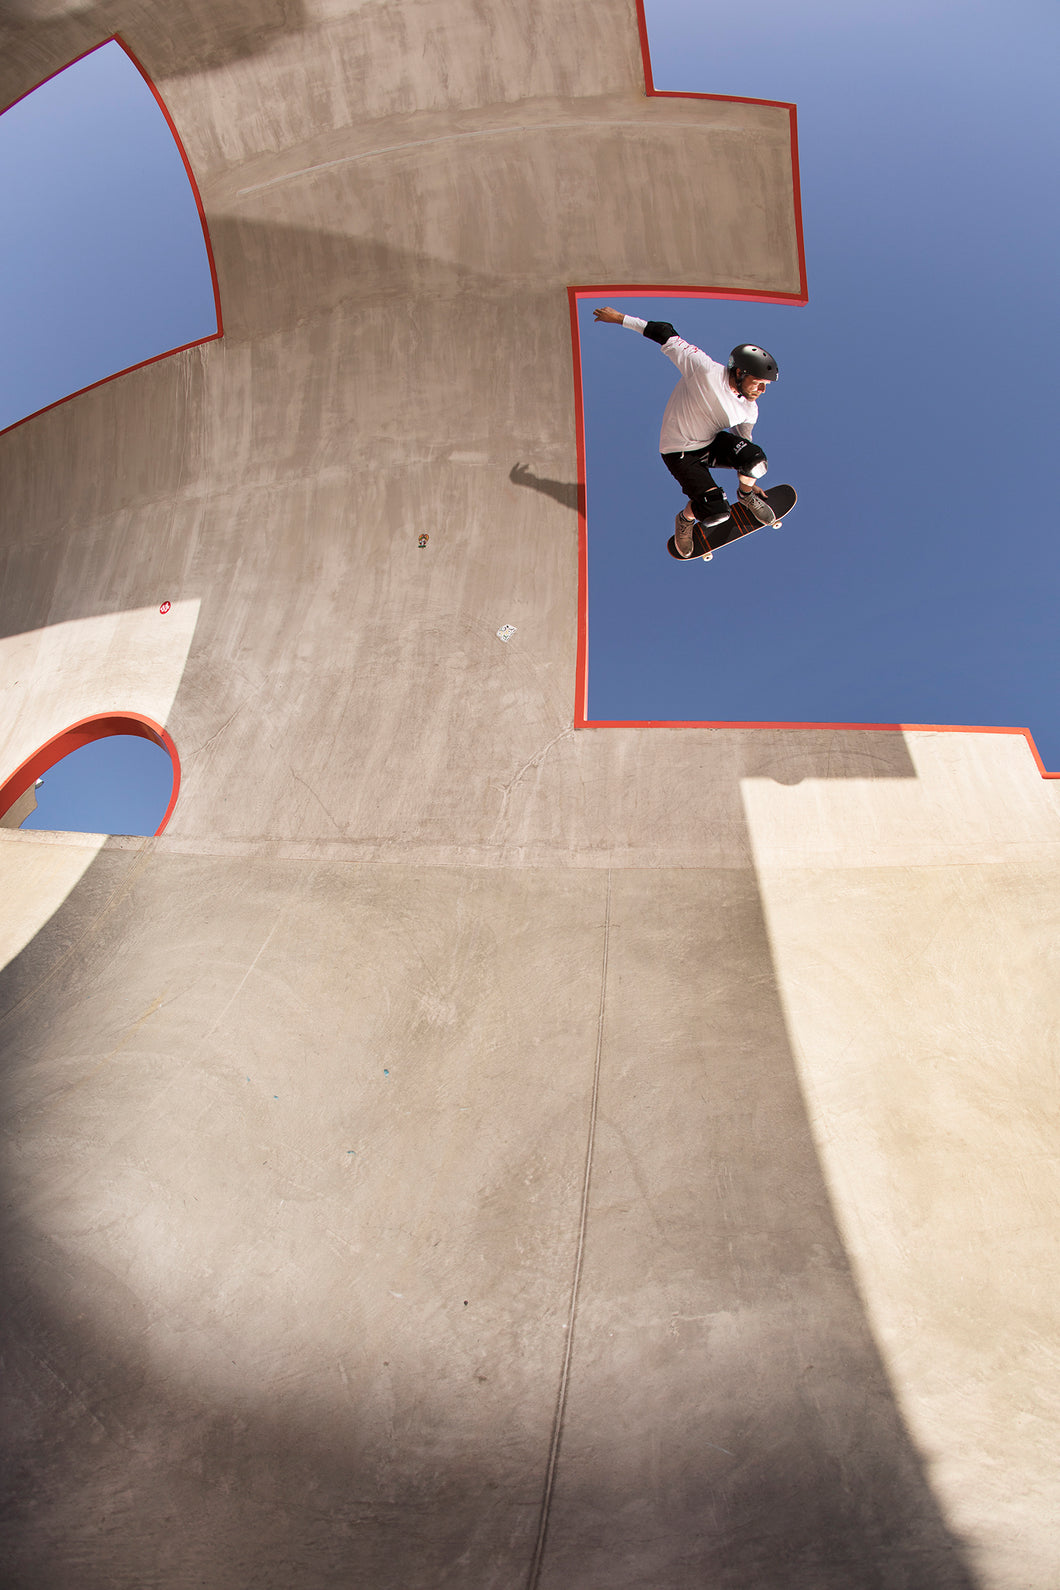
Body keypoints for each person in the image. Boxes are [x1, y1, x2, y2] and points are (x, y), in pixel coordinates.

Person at [593, 306, 779, 558]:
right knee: (716, 513)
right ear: (739, 372)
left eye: (766, 385)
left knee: (757, 462)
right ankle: (685, 519)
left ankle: (746, 496)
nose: (762, 390)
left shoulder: (750, 409)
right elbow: (665, 333)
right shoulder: (704, 369)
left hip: (711, 443)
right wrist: (618, 318)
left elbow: (743, 442)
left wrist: (748, 477)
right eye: (758, 382)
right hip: (678, 451)